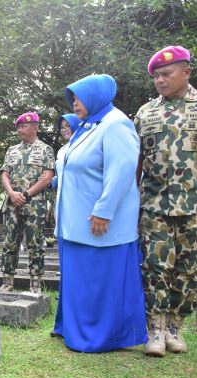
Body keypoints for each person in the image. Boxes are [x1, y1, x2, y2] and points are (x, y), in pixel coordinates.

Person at [52, 73, 147, 353]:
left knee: (98, 282)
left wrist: (104, 211)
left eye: (79, 98)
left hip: (99, 222)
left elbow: (121, 173)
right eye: (72, 98)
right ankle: (72, 327)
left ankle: (100, 336)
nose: (75, 103)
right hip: (74, 221)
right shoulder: (88, 126)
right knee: (79, 280)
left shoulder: (116, 124)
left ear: (96, 96)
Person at [135, 46, 197, 356]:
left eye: (166, 74)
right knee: (155, 267)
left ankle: (175, 328)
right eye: (156, 76)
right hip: (154, 205)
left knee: (187, 269)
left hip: (194, 207)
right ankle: (155, 331)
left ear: (186, 73)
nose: (160, 80)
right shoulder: (146, 112)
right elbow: (135, 162)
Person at [0, 112, 54, 293]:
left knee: (35, 243)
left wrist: (26, 194)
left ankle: (35, 282)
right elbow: (4, 174)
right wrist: (11, 193)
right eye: (19, 127)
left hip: (34, 204)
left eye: (23, 126)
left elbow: (47, 177)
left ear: (35, 128)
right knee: (9, 243)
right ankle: (7, 281)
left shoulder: (45, 149)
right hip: (12, 204)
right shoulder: (11, 150)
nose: (20, 130)